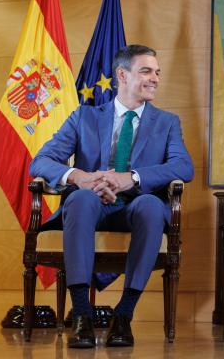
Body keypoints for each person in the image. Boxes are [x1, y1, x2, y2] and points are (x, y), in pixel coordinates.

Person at [30, 44, 194, 348]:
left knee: (149, 206)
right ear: (122, 74)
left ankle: (124, 315)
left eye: (157, 72)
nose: (155, 78)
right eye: (146, 71)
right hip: (91, 203)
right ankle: (81, 314)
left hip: (135, 204)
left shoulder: (167, 122)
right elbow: (40, 161)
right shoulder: (84, 116)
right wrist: (81, 177)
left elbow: (183, 166)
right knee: (79, 199)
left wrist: (130, 178)